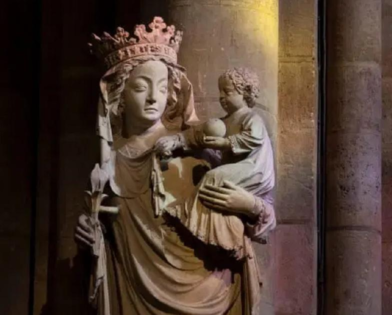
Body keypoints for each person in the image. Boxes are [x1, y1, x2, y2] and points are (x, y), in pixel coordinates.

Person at [74, 17, 275, 315]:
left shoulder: (191, 145)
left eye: (163, 86)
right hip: (132, 292)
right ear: (119, 95)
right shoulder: (108, 165)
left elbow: (264, 218)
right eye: (141, 87)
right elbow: (104, 233)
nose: (155, 97)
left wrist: (251, 206)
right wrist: (89, 236)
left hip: (209, 290)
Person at [154, 68, 275, 260]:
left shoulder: (251, 118)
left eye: (227, 92)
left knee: (212, 177)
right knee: (211, 177)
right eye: (220, 92)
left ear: (245, 93)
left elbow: (254, 139)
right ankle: (198, 221)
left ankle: (189, 217)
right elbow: (197, 134)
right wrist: (177, 140)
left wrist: (226, 143)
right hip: (236, 172)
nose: (221, 97)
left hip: (254, 168)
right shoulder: (223, 122)